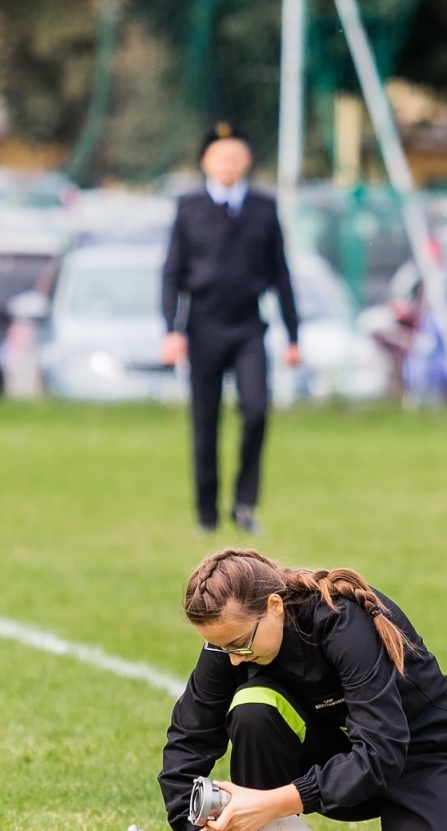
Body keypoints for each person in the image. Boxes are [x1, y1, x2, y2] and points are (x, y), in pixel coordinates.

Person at [159, 548, 447, 831]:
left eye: (240, 645)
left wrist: (268, 804)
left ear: (274, 606)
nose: (234, 661)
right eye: (222, 648)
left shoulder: (342, 622)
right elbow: (186, 743)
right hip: (331, 760)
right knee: (253, 707)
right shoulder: (230, 643)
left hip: (417, 759)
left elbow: (380, 751)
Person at [161, 123, 300, 536]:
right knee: (205, 423)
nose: (229, 163)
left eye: (236, 156)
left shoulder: (262, 208)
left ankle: (244, 504)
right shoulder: (188, 209)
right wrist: (172, 329)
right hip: (203, 327)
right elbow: (172, 274)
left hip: (248, 329)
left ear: (247, 161)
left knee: (256, 411)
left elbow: (281, 274)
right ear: (206, 161)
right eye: (221, 156)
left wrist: (294, 335)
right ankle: (206, 513)